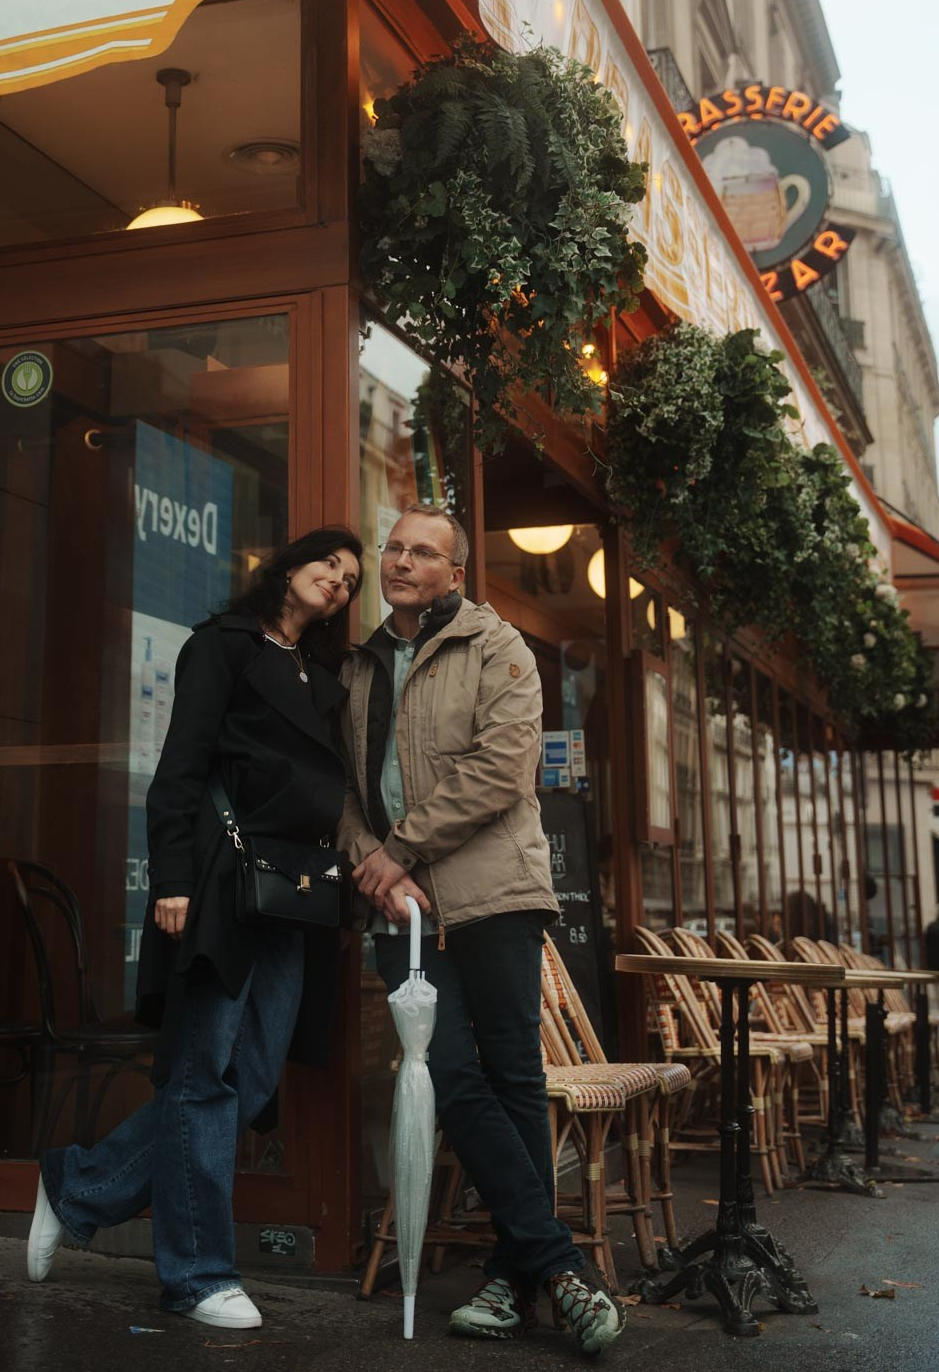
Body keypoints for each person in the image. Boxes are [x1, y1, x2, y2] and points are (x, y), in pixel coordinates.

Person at [26, 527, 364, 1330]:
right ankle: (198, 1273)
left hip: (296, 892)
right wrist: (171, 881)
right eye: (327, 563)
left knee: (248, 1079)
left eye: (352, 580)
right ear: (286, 566)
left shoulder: (325, 672)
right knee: (205, 1072)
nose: (339, 582)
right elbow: (179, 768)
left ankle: (76, 1185)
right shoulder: (223, 645)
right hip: (220, 880)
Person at [338, 503, 623, 1353]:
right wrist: (373, 866)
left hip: (494, 894)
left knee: (510, 1077)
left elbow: (502, 769)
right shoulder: (357, 667)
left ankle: (513, 1279)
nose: (401, 562)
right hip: (403, 910)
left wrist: (399, 848)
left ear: (455, 574)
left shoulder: (499, 648)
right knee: (448, 1076)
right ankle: (561, 1268)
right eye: (393, 548)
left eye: (423, 553)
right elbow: (340, 791)